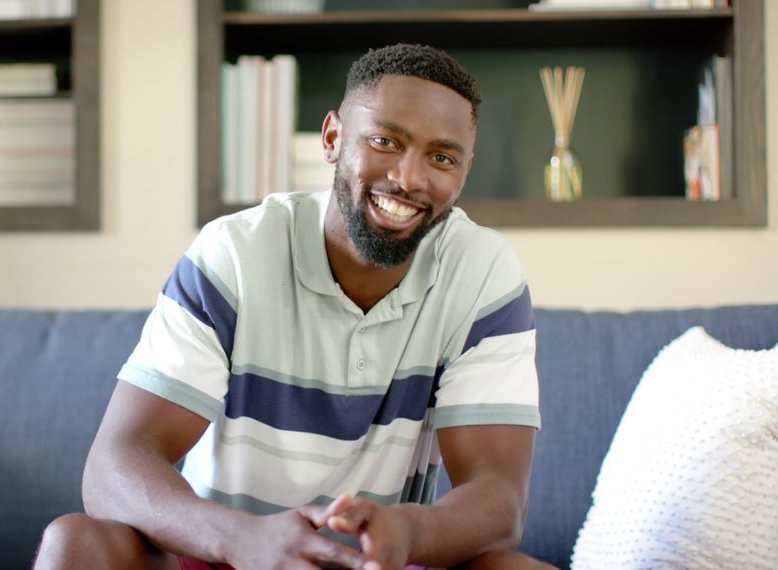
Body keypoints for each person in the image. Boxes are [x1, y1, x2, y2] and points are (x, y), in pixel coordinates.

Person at [34, 43, 553, 570]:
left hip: (383, 561)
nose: (410, 177)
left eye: (441, 157)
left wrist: (410, 530)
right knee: (77, 542)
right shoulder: (234, 254)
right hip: (228, 554)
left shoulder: (484, 273)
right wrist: (243, 540)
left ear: (463, 172)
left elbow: (499, 500)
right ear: (332, 138)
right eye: (384, 141)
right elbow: (114, 465)